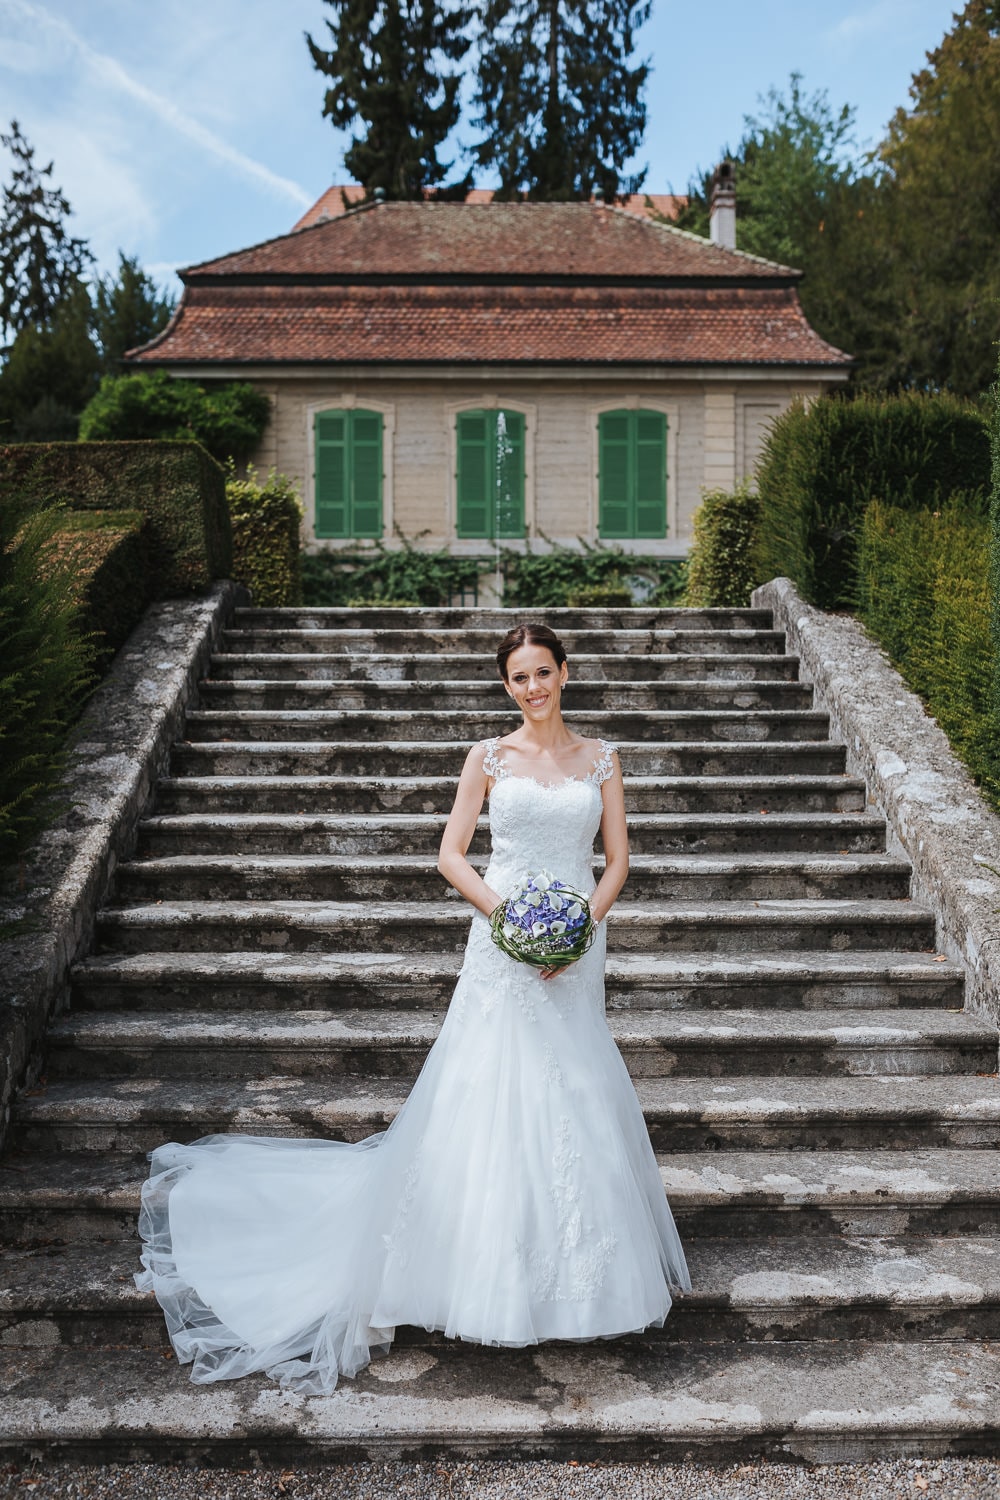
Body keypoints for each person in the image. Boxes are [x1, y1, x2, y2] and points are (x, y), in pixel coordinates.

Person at [135, 622, 690, 1394]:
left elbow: (619, 858)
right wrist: (507, 920)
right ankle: (471, 1272)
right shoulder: (487, 758)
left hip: (577, 943)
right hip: (502, 939)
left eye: (542, 673)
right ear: (507, 687)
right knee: (489, 1088)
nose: (532, 688)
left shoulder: (602, 759)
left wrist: (578, 930)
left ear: (566, 672)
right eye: (518, 678)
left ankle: (581, 1281)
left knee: (576, 1089)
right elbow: (450, 853)